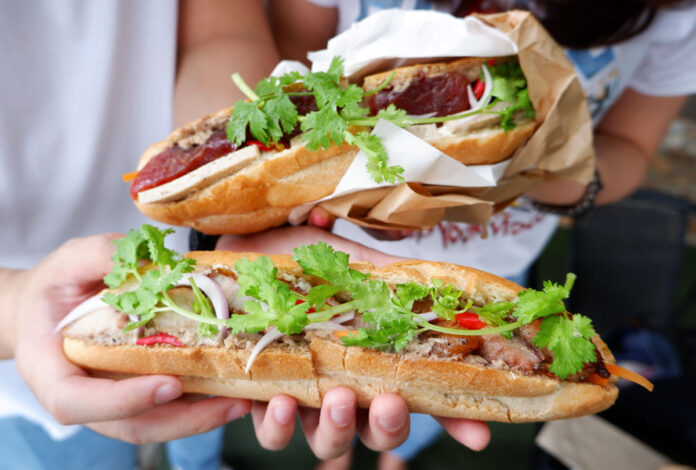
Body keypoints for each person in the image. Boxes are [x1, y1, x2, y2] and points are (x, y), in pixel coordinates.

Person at [0, 1, 490, 469]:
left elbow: (222, 30)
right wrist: (18, 305)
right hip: (21, 352)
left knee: (214, 407)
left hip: (210, 253)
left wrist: (239, 208)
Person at [251, 0, 696, 469]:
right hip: (328, 255)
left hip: (499, 263)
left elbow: (630, 148)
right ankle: (338, 460)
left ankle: (395, 458)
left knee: (435, 392)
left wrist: (535, 171)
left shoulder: (676, 17)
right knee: (338, 393)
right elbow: (287, 80)